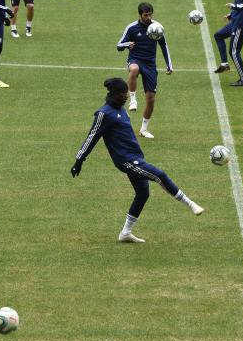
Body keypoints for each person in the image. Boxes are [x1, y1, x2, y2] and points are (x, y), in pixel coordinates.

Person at [71, 78, 204, 243]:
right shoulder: (104, 114)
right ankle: (191, 204)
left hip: (136, 157)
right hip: (126, 161)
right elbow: (91, 138)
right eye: (123, 93)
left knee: (143, 193)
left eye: (127, 93)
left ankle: (125, 233)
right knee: (160, 175)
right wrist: (79, 160)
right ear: (113, 94)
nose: (126, 96)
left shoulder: (122, 110)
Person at [116, 2, 173, 139]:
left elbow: (164, 46)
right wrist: (127, 44)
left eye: (150, 14)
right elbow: (118, 45)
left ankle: (143, 129)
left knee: (151, 99)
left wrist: (169, 65)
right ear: (140, 15)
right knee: (134, 69)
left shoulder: (156, 27)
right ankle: (133, 100)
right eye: (145, 15)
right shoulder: (132, 28)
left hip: (150, 64)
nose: (148, 17)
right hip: (135, 59)